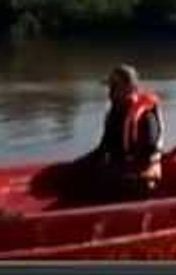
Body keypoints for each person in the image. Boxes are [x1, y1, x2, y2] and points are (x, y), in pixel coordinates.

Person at [62, 65, 164, 204]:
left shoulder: (145, 117)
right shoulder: (116, 113)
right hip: (120, 170)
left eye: (115, 87)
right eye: (110, 87)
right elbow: (103, 149)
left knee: (98, 183)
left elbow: (148, 158)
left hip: (142, 178)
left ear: (130, 89)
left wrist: (114, 172)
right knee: (75, 174)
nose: (110, 92)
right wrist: (75, 166)